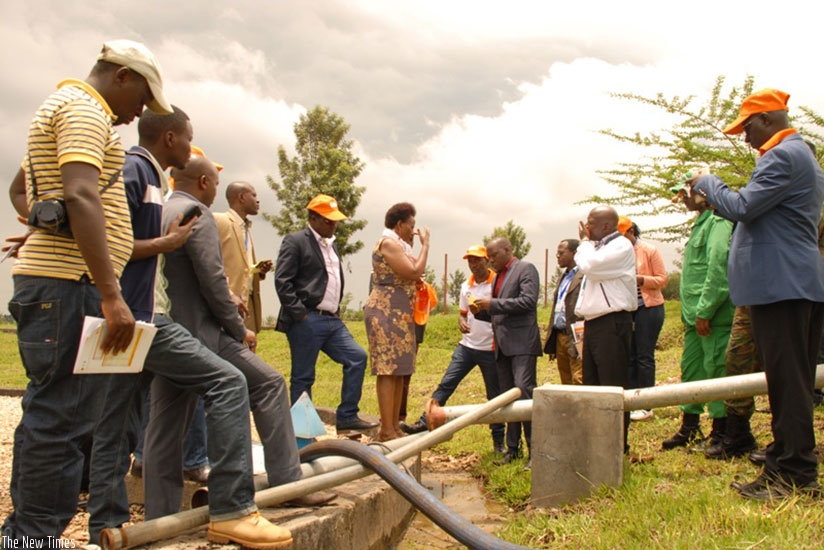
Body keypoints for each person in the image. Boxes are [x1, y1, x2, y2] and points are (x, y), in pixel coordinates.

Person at [1, 39, 170, 545]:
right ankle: (34, 536)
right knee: (66, 421)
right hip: (69, 287)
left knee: (50, 413)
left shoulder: (64, 107)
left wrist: (43, 215)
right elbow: (80, 192)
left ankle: (23, 535)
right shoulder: (83, 110)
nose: (141, 111)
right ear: (121, 76)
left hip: (61, 282)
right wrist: (111, 293)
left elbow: (24, 186)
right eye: (142, 97)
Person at [153, 156, 335, 527]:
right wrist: (238, 330)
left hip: (166, 333)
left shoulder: (159, 210)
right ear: (204, 182)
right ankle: (285, 483)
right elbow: (212, 281)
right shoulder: (197, 213)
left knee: (165, 428)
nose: (217, 188)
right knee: (268, 383)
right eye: (215, 183)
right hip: (204, 334)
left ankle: (160, 518)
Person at [691, 88, 824, 499]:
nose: (745, 138)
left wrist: (710, 182)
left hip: (781, 285)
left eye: (747, 128)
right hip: (788, 284)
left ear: (766, 120)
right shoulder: (799, 156)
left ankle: (795, 474)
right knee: (788, 383)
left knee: (788, 384)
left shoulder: (783, 156)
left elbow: (742, 207)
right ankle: (784, 462)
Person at [275, 194, 377, 435]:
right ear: (313, 218)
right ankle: (301, 433)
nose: (334, 225)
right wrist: (300, 314)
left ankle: (347, 417)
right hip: (307, 319)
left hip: (332, 319)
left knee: (357, 357)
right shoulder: (296, 241)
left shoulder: (333, 246)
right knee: (303, 376)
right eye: (329, 221)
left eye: (336, 221)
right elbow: (282, 281)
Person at [400, 245, 505, 454]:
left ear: (487, 260)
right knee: (447, 383)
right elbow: (463, 313)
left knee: (494, 396)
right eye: (470, 261)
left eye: (477, 260)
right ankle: (423, 422)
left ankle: (498, 442)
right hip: (467, 347)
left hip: (490, 349)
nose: (473, 265)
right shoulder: (466, 285)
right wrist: (461, 322)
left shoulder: (498, 283)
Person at [662, 178, 733, 451]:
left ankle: (721, 432)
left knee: (716, 370)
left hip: (712, 315)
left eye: (686, 193)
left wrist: (706, 310)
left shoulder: (718, 223)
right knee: (691, 370)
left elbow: (718, 268)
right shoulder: (700, 225)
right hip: (694, 317)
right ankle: (690, 426)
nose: (683, 199)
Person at [471, 237, 541, 468]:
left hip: (522, 344)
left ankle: (534, 451)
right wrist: (480, 311)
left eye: (494, 256)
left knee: (524, 394)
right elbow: (498, 312)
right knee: (507, 399)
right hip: (502, 345)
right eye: (488, 257)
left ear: (508, 250)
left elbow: (527, 302)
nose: (490, 261)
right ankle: (513, 449)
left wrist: (492, 304)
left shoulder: (525, 269)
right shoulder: (498, 277)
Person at [574, 206, 638, 458]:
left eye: (590, 222)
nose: (585, 226)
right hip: (595, 323)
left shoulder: (620, 247)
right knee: (592, 384)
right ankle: (598, 443)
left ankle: (617, 447)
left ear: (605, 227)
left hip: (612, 323)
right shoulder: (599, 247)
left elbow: (589, 266)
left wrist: (583, 243)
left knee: (612, 385)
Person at [364, 202, 431, 442]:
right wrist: (426, 245)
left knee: (400, 369)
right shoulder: (389, 243)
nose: (414, 231)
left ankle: (393, 427)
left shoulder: (400, 244)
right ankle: (385, 429)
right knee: (387, 370)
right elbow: (413, 271)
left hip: (401, 312)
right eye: (411, 226)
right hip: (386, 310)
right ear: (399, 224)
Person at [618, 218, 668, 422]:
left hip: (649, 308)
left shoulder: (648, 250)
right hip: (627, 310)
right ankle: (632, 402)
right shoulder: (618, 253)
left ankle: (646, 404)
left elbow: (662, 279)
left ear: (631, 231)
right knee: (629, 356)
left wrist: (641, 280)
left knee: (644, 356)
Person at [215, 181, 272, 334]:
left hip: (248, 303)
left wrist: (258, 270)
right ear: (241, 197)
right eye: (253, 195)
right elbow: (212, 261)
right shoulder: (220, 221)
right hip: (229, 302)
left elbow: (239, 265)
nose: (257, 200)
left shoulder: (245, 228)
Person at [543, 239, 584, 385]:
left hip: (578, 332)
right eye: (557, 253)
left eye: (561, 253)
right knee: (565, 377)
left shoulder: (583, 274)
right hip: (561, 334)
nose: (557, 256)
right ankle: (570, 407)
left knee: (579, 377)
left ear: (574, 253)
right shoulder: (563, 277)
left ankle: (582, 408)